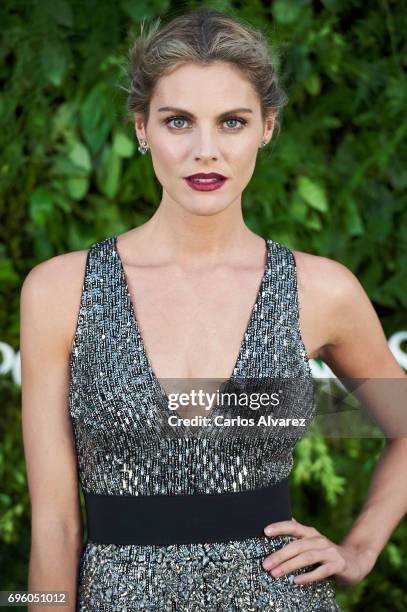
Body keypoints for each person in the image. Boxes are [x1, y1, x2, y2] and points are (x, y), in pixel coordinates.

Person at [20, 7, 407, 612]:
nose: (206, 151)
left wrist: (358, 551)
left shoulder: (321, 290)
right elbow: (54, 528)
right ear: (142, 127)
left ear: (267, 128)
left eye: (231, 122)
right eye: (178, 122)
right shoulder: (58, 291)